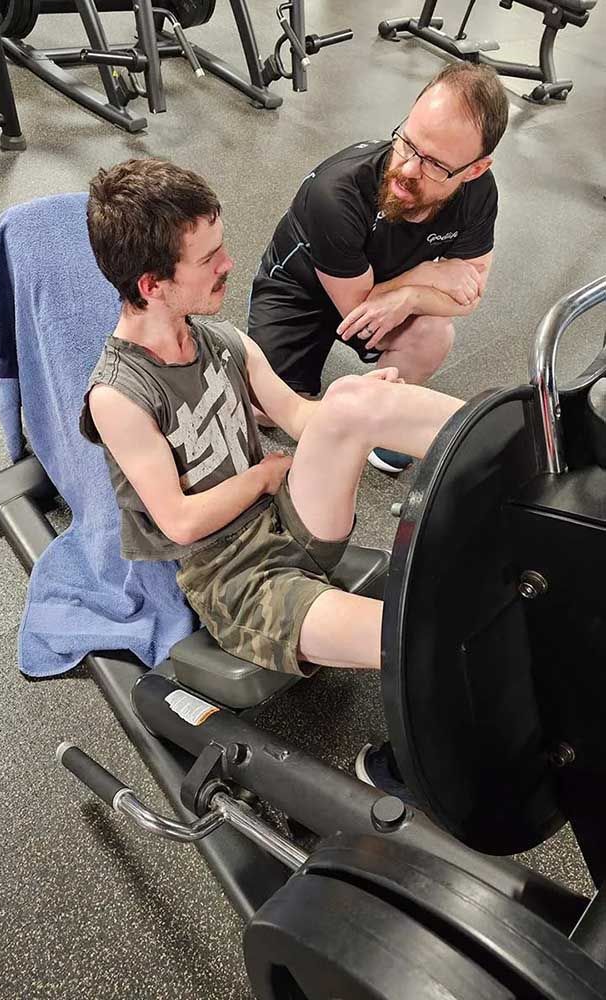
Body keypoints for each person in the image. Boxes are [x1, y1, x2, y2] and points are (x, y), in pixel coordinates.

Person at [80, 157, 463, 793]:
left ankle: (527, 450)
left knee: (350, 398)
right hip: (239, 579)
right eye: (209, 259)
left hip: (287, 520)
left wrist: (362, 404)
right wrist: (262, 477)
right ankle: (401, 770)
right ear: (152, 284)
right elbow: (178, 521)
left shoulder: (222, 340)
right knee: (422, 637)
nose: (228, 264)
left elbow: (302, 418)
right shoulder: (118, 396)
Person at [247, 61, 508, 474]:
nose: (407, 169)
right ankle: (347, 401)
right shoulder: (336, 193)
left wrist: (411, 297)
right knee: (263, 410)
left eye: (436, 164)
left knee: (434, 334)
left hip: (379, 292)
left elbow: (470, 292)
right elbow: (358, 309)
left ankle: (381, 420)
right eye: (408, 143)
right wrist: (427, 276)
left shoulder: (478, 193)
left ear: (475, 170)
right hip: (302, 290)